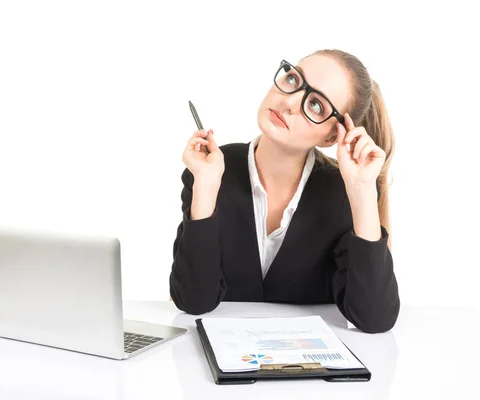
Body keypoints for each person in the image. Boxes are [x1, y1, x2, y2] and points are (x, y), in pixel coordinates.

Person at [169, 49, 399, 334]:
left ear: (332, 136)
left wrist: (362, 191)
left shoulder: (343, 194)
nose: (289, 101)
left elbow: (374, 319)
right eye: (292, 79)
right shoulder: (211, 169)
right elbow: (193, 301)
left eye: (316, 105)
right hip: (219, 367)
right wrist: (205, 186)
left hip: (311, 371)